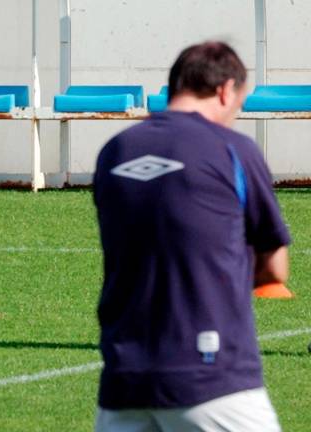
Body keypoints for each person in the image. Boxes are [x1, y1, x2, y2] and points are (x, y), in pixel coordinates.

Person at [93, 41, 290, 431]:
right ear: (225, 90)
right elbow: (275, 268)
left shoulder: (115, 151)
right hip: (213, 379)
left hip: (123, 384)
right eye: (240, 102)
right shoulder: (233, 148)